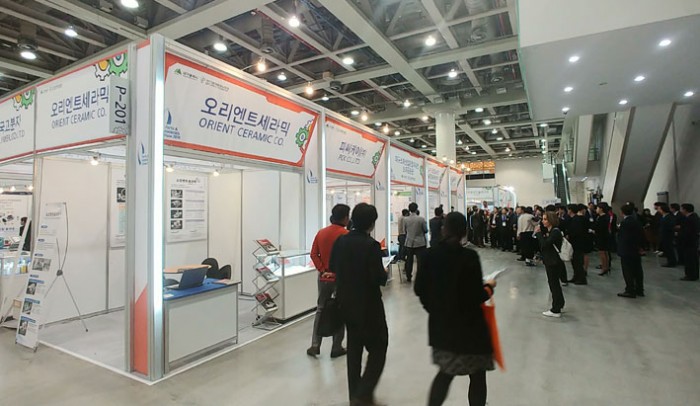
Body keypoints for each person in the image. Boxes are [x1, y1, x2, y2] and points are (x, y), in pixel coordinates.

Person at [414, 212, 496, 406]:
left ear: (444, 229)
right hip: (471, 329)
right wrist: (489, 287)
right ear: (464, 231)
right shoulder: (469, 257)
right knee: (477, 375)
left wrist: (434, 309)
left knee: (445, 374)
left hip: (442, 327)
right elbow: (476, 295)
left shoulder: (428, 256)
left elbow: (419, 289)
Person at [331, 203, 388, 406]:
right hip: (369, 305)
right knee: (379, 347)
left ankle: (354, 395)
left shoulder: (341, 241)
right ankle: (363, 392)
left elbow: (332, 266)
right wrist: (384, 273)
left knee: (354, 351)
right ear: (371, 223)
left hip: (346, 303)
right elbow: (379, 278)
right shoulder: (371, 245)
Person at [307, 204, 350, 358]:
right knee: (340, 309)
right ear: (345, 217)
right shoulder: (346, 235)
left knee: (321, 309)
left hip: (324, 277)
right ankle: (336, 346)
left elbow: (313, 254)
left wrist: (323, 269)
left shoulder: (321, 233)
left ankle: (315, 345)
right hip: (341, 278)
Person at [535, 211, 566, 317]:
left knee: (554, 284)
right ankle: (559, 304)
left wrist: (539, 234)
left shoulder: (555, 232)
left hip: (553, 261)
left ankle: (556, 309)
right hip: (551, 260)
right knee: (554, 283)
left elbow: (545, 245)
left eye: (545, 219)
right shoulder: (551, 231)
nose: (543, 221)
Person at [617, 204, 645, 298]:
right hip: (635, 249)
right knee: (637, 270)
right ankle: (639, 289)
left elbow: (624, 238)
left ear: (622, 212)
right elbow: (641, 235)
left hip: (627, 250)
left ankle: (630, 290)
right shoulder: (636, 221)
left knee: (628, 271)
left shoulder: (625, 223)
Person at [403, 202, 428, 282]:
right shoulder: (421, 219)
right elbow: (425, 230)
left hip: (409, 242)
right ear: (417, 209)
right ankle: (420, 276)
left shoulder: (405, 219)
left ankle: (408, 276)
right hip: (420, 243)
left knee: (409, 261)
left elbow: (405, 230)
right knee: (420, 261)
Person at [566, 204, 589, 285]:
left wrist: (569, 235)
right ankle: (576, 276)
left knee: (578, 262)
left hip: (577, 244)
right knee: (574, 262)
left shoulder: (577, 220)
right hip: (574, 244)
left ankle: (581, 279)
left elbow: (577, 232)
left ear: (571, 210)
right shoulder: (573, 219)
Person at [679, 204, 699, 281]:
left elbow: (687, 232)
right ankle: (694, 274)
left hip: (689, 242)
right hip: (693, 242)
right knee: (694, 259)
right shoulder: (694, 217)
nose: (681, 211)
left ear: (685, 210)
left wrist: (681, 236)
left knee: (689, 260)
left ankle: (690, 275)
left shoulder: (690, 219)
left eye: (682, 209)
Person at [658, 203, 677, 267]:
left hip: (668, 236)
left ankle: (672, 262)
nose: (658, 210)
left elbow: (670, 226)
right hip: (664, 235)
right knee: (667, 249)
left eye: (659, 209)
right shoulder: (663, 216)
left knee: (669, 249)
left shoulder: (669, 217)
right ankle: (670, 261)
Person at [594, 204, 612, 276]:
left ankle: (604, 268)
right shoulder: (605, 217)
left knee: (602, 253)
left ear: (601, 209)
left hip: (601, 237)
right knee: (605, 252)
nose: (596, 210)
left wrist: (594, 230)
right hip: (604, 236)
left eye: (597, 208)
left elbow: (600, 227)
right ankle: (606, 267)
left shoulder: (603, 218)